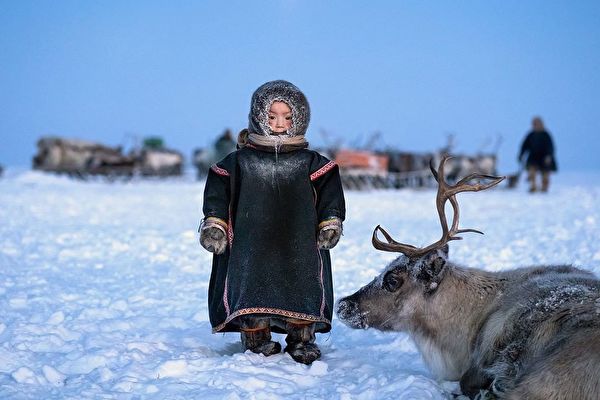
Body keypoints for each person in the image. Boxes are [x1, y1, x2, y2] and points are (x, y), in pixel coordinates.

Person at [199, 80, 346, 364]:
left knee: (303, 288)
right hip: (250, 244)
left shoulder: (312, 163)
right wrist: (214, 223)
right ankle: (256, 338)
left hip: (299, 242)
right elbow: (218, 189)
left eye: (288, 117)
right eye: (272, 116)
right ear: (258, 115)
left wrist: (330, 221)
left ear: (301, 118)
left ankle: (302, 340)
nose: (280, 123)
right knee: (251, 290)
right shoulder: (239, 161)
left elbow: (330, 193)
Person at [518, 116, 557, 192]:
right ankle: (533, 187)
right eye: (534, 124)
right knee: (531, 173)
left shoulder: (546, 135)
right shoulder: (531, 135)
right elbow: (524, 146)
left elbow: (550, 147)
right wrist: (521, 155)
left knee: (545, 175)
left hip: (544, 158)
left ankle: (544, 188)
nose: (535, 125)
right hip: (533, 157)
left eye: (537, 123)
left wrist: (549, 156)